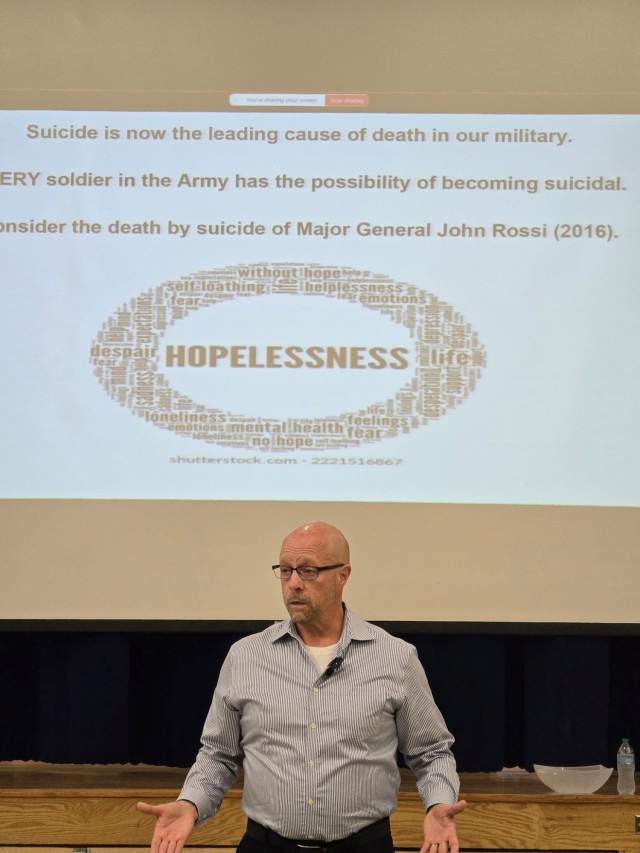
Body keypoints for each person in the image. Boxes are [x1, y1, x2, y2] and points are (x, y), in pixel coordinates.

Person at [138, 521, 466, 853]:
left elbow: (431, 752)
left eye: (308, 571)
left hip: (362, 845)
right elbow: (219, 755)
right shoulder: (246, 656)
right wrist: (190, 803)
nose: (294, 583)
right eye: (285, 570)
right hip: (266, 845)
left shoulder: (394, 658)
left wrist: (438, 803)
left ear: (343, 575)